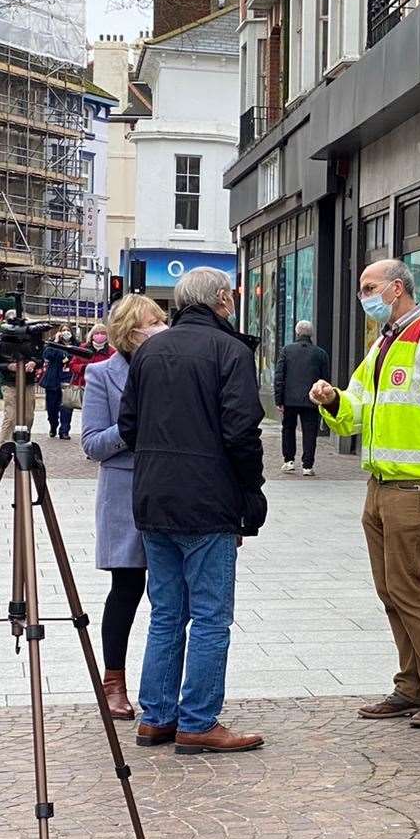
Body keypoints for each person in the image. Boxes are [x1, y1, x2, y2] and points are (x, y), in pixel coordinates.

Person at [310, 259, 420, 729]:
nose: (363, 295)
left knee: (408, 588)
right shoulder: (385, 343)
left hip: (415, 485)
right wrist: (333, 400)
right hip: (381, 484)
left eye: (369, 287)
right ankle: (412, 686)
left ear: (396, 289)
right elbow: (358, 407)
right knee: (391, 590)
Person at [118, 267, 267, 755]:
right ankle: (199, 720)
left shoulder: (149, 352)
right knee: (208, 615)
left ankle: (156, 717)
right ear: (222, 300)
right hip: (208, 500)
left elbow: (129, 424)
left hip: (155, 497)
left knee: (166, 612)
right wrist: (251, 494)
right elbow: (241, 431)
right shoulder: (232, 351)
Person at [82, 296, 168, 722]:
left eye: (162, 320)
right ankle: (113, 681)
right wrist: (129, 428)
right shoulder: (102, 375)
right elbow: (92, 444)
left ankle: (165, 688)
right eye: (153, 322)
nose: (161, 327)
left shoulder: (172, 366)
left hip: (170, 488)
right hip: (125, 491)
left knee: (169, 595)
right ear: (129, 331)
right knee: (127, 588)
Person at [274, 319, 330, 477]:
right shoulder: (320, 353)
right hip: (312, 400)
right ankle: (307, 466)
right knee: (310, 432)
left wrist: (279, 399)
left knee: (288, 429)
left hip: (289, 399)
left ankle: (289, 461)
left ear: (297, 333)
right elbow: (325, 380)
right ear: (311, 334)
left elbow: (279, 376)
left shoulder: (287, 350)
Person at [39, 331, 74, 439]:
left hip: (67, 379)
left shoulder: (74, 345)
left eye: (68, 330)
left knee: (66, 407)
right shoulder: (52, 344)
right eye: (63, 330)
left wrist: (64, 356)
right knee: (52, 408)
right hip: (52, 380)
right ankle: (53, 425)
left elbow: (73, 357)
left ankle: (64, 431)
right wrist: (56, 342)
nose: (66, 333)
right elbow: (47, 355)